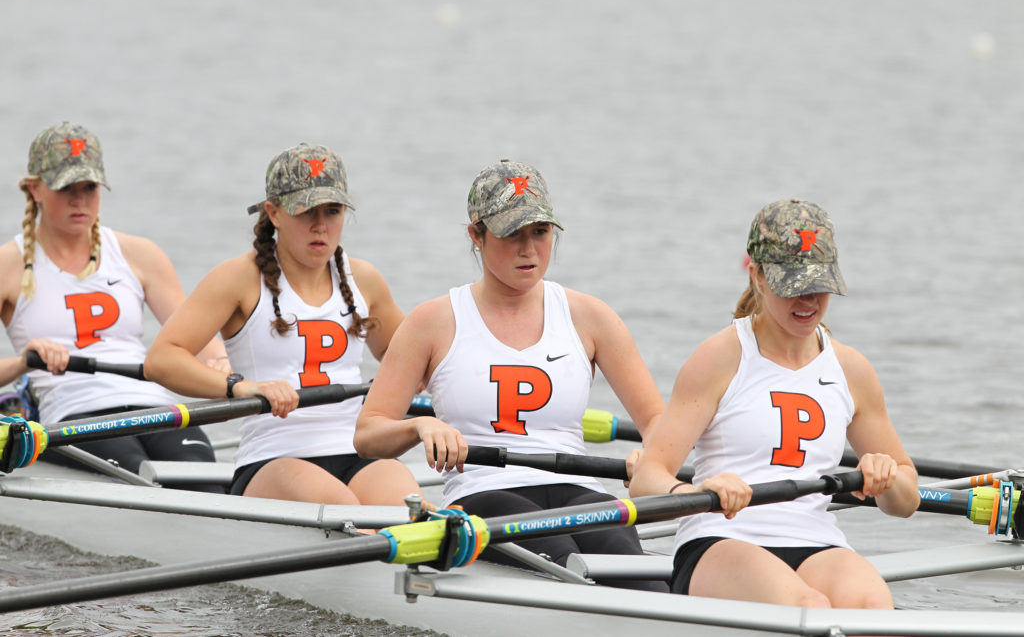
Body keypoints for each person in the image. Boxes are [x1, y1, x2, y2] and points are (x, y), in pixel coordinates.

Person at [354, 159, 667, 591]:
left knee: (645, 583)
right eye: (511, 234)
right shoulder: (433, 322)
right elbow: (368, 435)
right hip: (486, 495)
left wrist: (652, 457)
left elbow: (660, 426)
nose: (529, 250)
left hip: (581, 490)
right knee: (569, 573)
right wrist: (420, 425)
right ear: (476, 236)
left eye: (539, 232)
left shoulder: (591, 317)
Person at [630, 198, 920, 608]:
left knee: (873, 608)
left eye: (818, 285)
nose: (807, 301)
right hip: (721, 539)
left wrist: (888, 478)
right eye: (793, 286)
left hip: (816, 542)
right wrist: (695, 488)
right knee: (809, 610)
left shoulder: (852, 370)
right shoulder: (720, 357)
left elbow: (907, 502)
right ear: (758, 276)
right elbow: (646, 481)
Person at [144, 143, 423, 508]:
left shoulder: (364, 279)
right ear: (274, 213)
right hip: (274, 457)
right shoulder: (239, 279)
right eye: (306, 211)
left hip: (355, 447)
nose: (320, 226)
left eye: (333, 211)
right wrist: (241, 388)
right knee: (347, 513)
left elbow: (408, 358)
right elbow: (162, 359)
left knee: (413, 512)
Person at [0, 121, 228, 492]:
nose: (80, 200)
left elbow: (198, 337)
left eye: (89, 187)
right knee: (140, 478)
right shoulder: (7, 265)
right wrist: (23, 362)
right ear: (34, 189)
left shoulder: (140, 254)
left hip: (151, 400)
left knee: (202, 474)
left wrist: (222, 367)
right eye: (66, 188)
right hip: (71, 416)